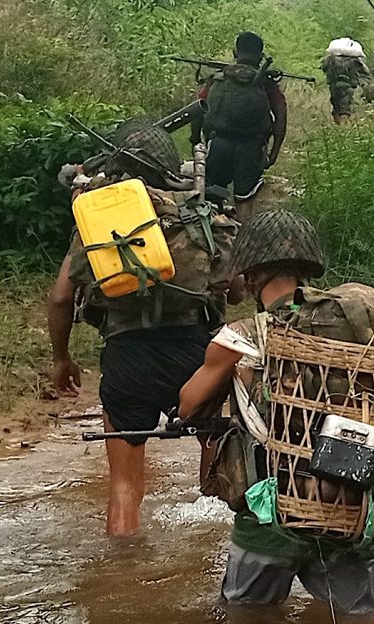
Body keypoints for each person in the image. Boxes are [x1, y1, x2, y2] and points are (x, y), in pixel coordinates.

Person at [178, 210, 374, 611]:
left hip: (270, 521)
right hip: (350, 510)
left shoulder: (240, 337)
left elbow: (188, 405)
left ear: (251, 275)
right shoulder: (352, 333)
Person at [48, 119, 236, 536]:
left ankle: (121, 569)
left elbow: (62, 297)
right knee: (214, 484)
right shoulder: (199, 214)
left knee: (124, 488)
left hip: (126, 356)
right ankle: (209, 551)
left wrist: (61, 359)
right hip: (195, 357)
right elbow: (236, 290)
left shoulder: (98, 223)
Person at [191, 32, 288, 223]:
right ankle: (242, 240)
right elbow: (281, 116)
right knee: (244, 201)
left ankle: (213, 240)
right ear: (260, 56)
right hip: (251, 149)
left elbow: (199, 108)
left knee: (211, 198)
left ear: (235, 52)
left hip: (218, 144)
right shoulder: (266, 84)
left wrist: (195, 139)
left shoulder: (219, 78)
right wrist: (274, 151)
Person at [321, 38, 370, 124]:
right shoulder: (356, 61)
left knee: (337, 107)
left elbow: (324, 68)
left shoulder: (330, 59)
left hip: (335, 87)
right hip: (350, 87)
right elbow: (366, 72)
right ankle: (346, 128)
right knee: (346, 108)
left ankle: (339, 126)